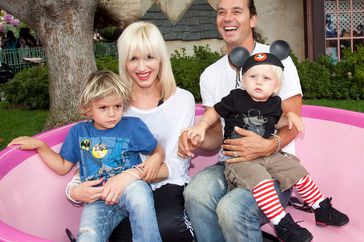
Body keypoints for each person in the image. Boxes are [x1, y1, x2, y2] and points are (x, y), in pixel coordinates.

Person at [185, 47, 349, 242]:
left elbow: (278, 122)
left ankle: (321, 208)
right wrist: (202, 125)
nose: (259, 82)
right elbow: (215, 112)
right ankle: (282, 223)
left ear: (276, 86)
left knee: (297, 170)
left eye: (266, 78)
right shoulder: (235, 98)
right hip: (240, 158)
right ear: (244, 80)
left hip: (268, 153)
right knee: (261, 180)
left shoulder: (274, 103)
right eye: (253, 76)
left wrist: (291, 116)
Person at [178, 0, 303, 241]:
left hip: (272, 169)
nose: (227, 18)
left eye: (237, 11)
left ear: (253, 19)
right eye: (221, 12)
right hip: (230, 165)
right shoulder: (210, 75)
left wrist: (269, 144)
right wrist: (196, 136)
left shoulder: (278, 62)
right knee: (195, 193)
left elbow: (292, 122)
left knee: (232, 209)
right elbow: (215, 138)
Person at [66, 21, 195, 242]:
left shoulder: (182, 100)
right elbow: (91, 151)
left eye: (149, 57)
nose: (142, 67)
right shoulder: (112, 103)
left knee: (170, 230)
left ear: (161, 58)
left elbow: (177, 164)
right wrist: (73, 189)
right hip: (113, 189)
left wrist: (131, 174)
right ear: (124, 62)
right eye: (133, 58)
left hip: (163, 184)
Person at [8, 70, 165, 242]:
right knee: (88, 235)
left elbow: (157, 150)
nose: (112, 113)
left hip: (129, 188)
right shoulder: (79, 132)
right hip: (97, 200)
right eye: (103, 107)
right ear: (87, 109)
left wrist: (155, 159)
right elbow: (62, 166)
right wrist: (41, 146)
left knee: (139, 194)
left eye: (118, 106)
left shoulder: (133, 127)